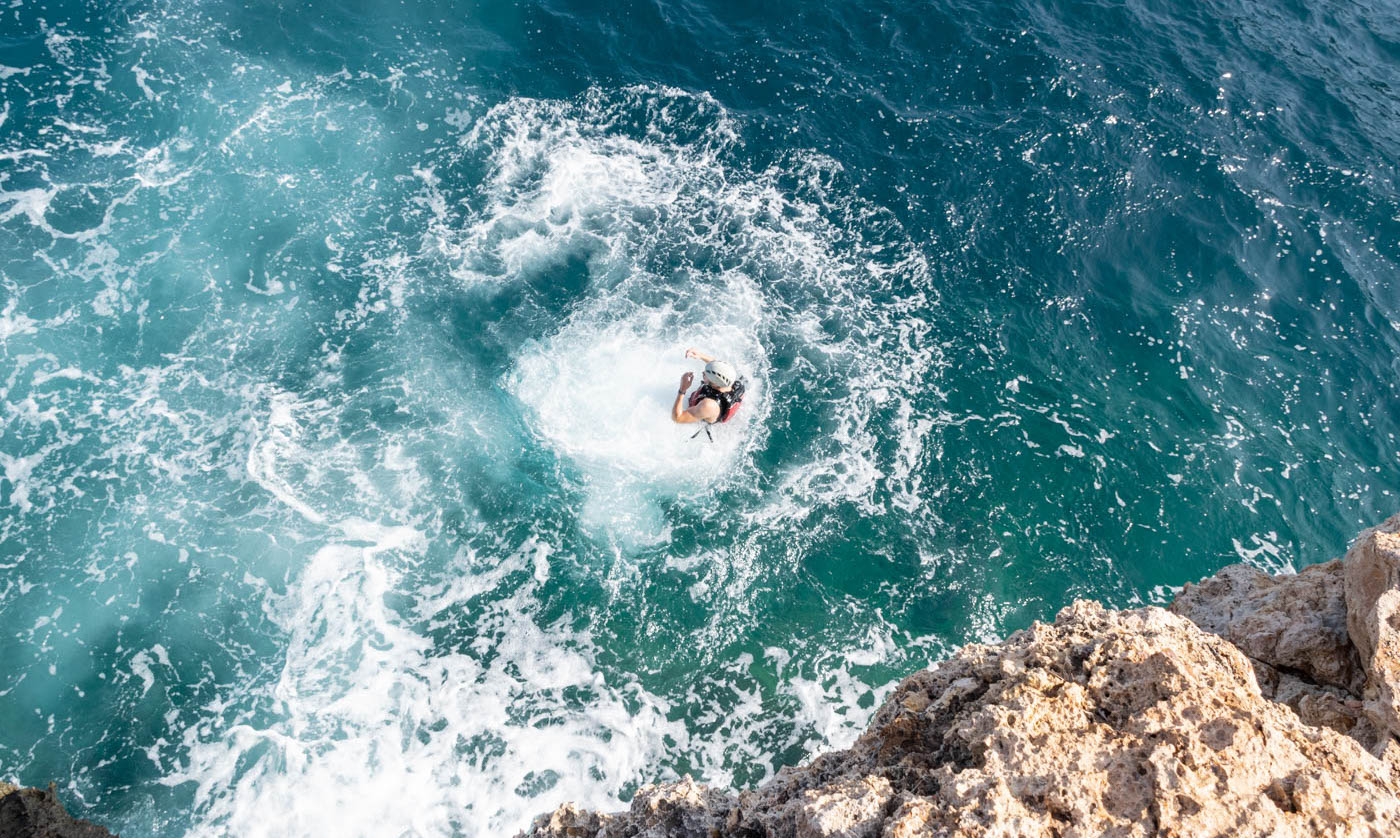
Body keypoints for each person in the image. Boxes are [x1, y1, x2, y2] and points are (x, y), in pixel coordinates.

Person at [672, 348, 745, 428]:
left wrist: (682, 389)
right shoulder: (728, 378)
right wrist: (700, 355)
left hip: (706, 413)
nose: (703, 373)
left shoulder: (708, 405)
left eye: (706, 374)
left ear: (714, 382)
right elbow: (717, 368)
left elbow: (677, 418)